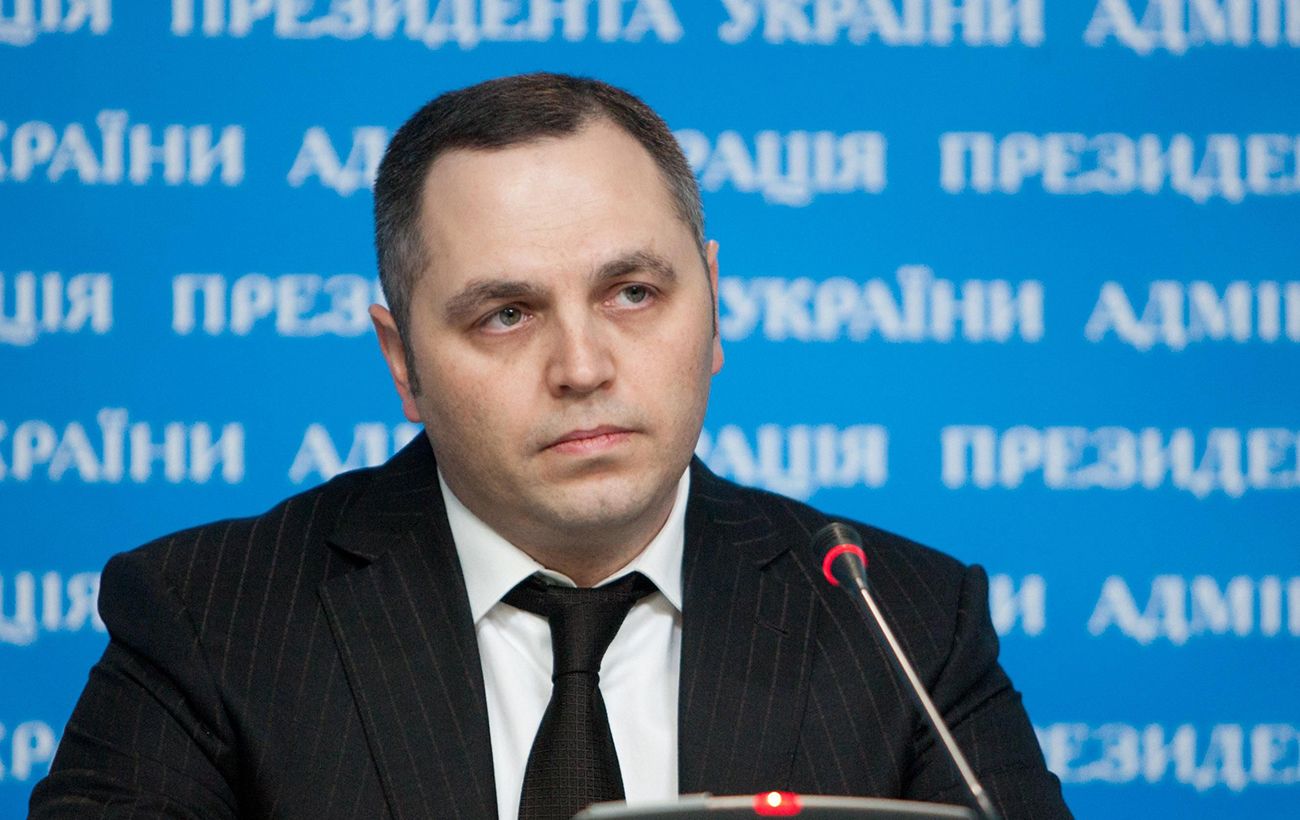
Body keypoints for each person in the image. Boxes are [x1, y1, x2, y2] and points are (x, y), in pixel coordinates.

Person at [30, 73, 1070, 820]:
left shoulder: (903, 621)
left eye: (633, 293)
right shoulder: (213, 620)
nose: (582, 366)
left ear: (713, 304)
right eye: (506, 314)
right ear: (403, 362)